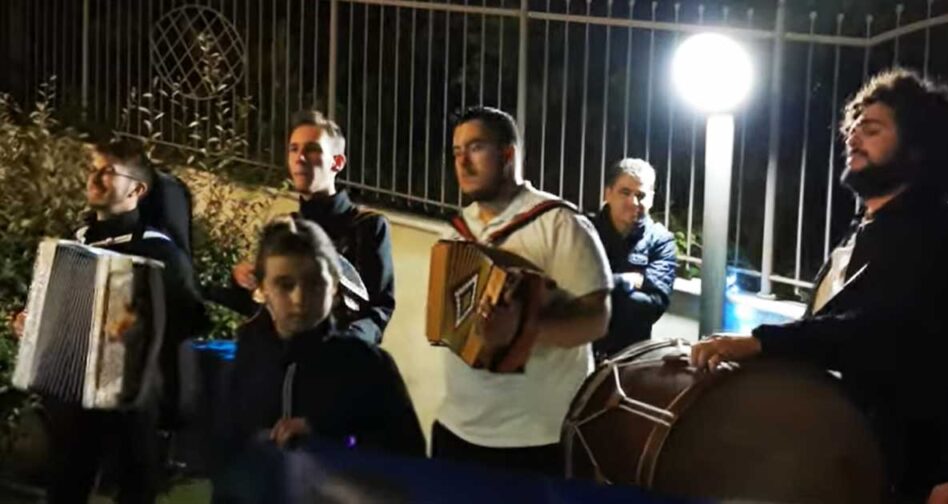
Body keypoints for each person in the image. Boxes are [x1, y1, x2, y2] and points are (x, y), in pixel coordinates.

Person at [690, 69, 948, 504]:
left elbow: (879, 329)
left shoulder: (937, 232)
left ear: (917, 148)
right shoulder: (864, 230)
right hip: (850, 452)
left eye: (871, 130)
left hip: (913, 467)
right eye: (852, 127)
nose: (853, 137)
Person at [12, 138, 207, 503]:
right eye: (94, 169)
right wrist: (30, 320)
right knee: (66, 484)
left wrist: (140, 329)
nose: (96, 178)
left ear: (137, 189)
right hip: (73, 397)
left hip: (133, 400)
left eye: (108, 172)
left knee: (136, 488)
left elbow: (192, 319)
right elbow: (54, 308)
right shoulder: (77, 242)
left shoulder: (159, 251)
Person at [431, 106, 612, 476]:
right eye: (456, 151)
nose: (463, 162)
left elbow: (597, 320)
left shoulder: (560, 224)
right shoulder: (454, 232)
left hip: (535, 440)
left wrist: (521, 330)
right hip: (456, 428)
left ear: (508, 154)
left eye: (476, 147)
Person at [218, 217, 423, 471]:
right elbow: (229, 449)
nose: (300, 298)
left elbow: (408, 462)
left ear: (335, 287)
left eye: (315, 284)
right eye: (285, 284)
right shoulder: (250, 353)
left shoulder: (367, 365)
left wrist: (328, 430)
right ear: (262, 288)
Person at [211, 111, 395, 346]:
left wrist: (347, 347)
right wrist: (242, 281)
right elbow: (263, 307)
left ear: (337, 162)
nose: (300, 158)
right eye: (293, 149)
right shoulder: (283, 227)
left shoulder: (367, 226)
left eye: (312, 149)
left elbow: (378, 310)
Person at [588, 158, 676, 360]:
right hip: (579, 351)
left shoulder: (661, 241)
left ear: (652, 199)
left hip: (631, 358)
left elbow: (651, 307)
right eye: (625, 192)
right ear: (607, 193)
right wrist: (627, 281)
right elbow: (568, 288)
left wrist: (595, 291)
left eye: (641, 195)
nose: (633, 202)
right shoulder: (585, 230)